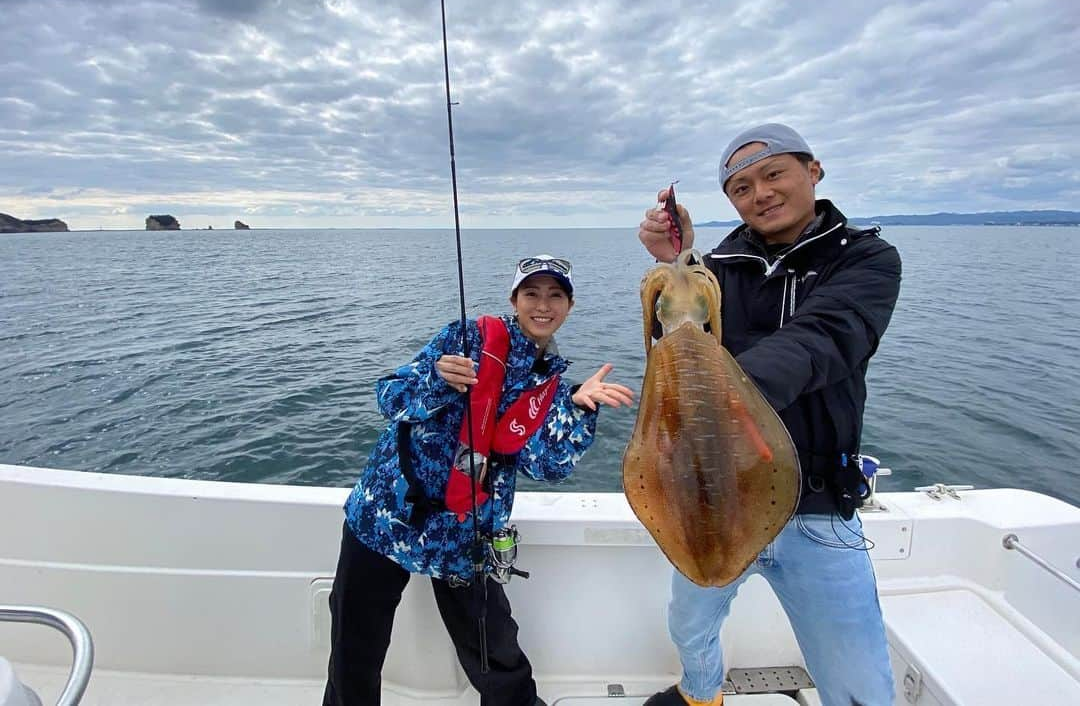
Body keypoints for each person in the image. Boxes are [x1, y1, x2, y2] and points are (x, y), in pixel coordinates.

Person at [637, 123, 901, 706]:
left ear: (813, 170)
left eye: (773, 174)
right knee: (690, 624)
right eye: (741, 187)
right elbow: (682, 333)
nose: (760, 193)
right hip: (712, 499)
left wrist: (708, 386)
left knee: (856, 678)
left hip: (819, 513)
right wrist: (677, 267)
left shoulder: (866, 261)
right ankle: (701, 693)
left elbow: (824, 340)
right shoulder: (719, 270)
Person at [323, 254, 634, 706]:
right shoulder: (466, 337)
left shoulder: (551, 383)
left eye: (555, 295)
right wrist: (436, 378)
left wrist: (580, 409)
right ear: (514, 299)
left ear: (569, 306)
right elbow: (390, 397)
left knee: (496, 654)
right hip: (385, 517)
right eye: (532, 293)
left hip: (464, 535)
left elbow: (547, 466)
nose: (542, 304)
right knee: (355, 647)